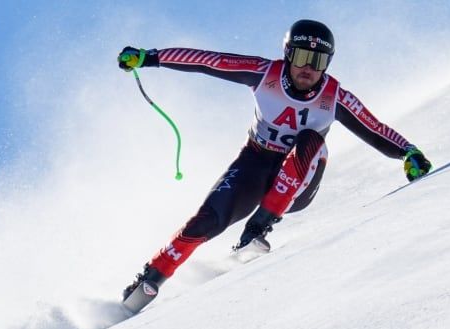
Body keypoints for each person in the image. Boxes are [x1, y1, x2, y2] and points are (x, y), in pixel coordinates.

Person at [117, 19, 432, 313]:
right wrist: (150, 57)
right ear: (288, 54)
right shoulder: (263, 73)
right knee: (206, 219)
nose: (309, 68)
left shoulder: (334, 96)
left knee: (310, 139)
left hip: (301, 177)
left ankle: (257, 229)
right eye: (302, 57)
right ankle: (151, 279)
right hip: (255, 162)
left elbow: (373, 127)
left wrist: (410, 153)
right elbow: (208, 60)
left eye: (319, 61)